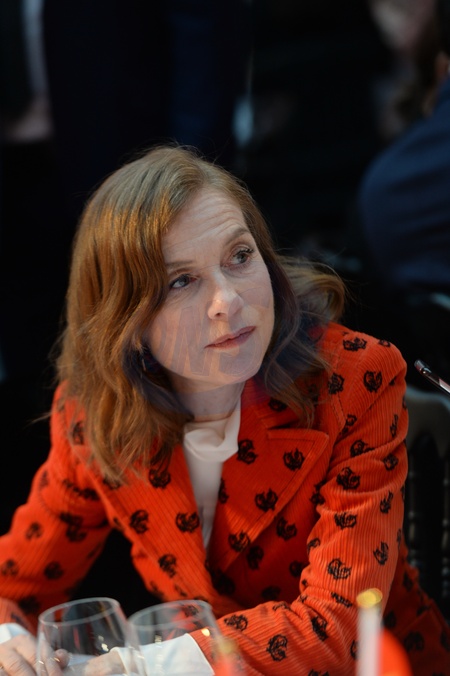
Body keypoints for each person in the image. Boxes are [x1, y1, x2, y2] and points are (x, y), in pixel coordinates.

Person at [0, 145, 448, 675]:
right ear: (127, 321)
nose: (228, 301)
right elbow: (13, 584)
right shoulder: (94, 413)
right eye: (181, 281)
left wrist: (144, 666)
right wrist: (9, 643)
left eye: (239, 256)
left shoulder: (353, 380)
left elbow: (341, 628)